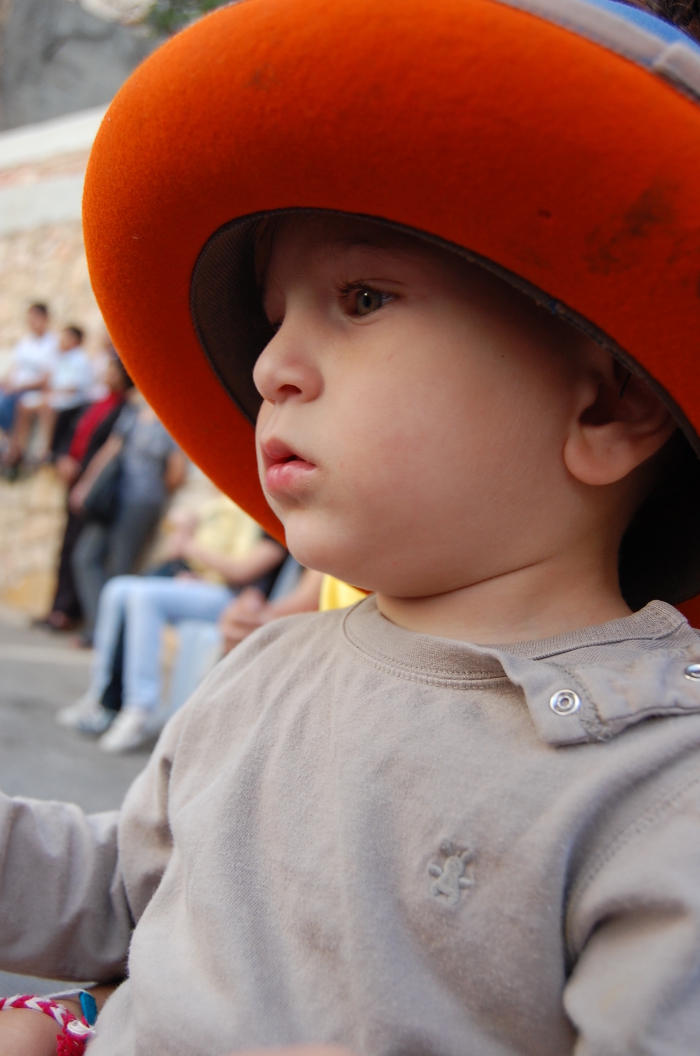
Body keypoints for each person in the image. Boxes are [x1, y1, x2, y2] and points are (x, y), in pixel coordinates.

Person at [3, 1, 700, 1055]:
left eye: (363, 297)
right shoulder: (265, 672)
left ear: (607, 406)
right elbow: (130, 891)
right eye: (275, 316)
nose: (269, 365)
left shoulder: (653, 785)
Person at [57, 506, 287, 753]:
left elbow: (241, 571)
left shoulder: (271, 520)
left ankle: (141, 707)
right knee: (117, 589)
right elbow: (178, 552)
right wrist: (186, 550)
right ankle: (100, 694)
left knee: (143, 596)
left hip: (230, 596)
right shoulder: (221, 504)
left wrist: (190, 545)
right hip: (203, 583)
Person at [70, 388, 187, 644]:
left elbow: (176, 474)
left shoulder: (172, 422)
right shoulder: (133, 413)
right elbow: (110, 450)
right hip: (112, 496)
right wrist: (86, 484)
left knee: (120, 567)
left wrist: (154, 494)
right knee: (85, 557)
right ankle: (101, 624)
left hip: (142, 503)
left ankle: (106, 634)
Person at [35, 352, 134, 632]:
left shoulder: (122, 410)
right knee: (67, 546)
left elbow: (107, 452)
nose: (108, 374)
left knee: (80, 551)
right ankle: (57, 607)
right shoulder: (97, 403)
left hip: (93, 489)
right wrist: (64, 458)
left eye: (114, 370)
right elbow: (75, 434)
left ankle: (68, 611)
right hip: (75, 479)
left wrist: (85, 479)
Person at [12, 326, 95, 464]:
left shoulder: (81, 359)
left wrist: (52, 393)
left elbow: (74, 387)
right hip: (53, 394)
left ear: (75, 340)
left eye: (66, 337)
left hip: (70, 398)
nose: (62, 340)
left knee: (46, 406)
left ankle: (44, 450)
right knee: (24, 404)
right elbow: (49, 378)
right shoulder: (59, 356)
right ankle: (18, 448)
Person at [0, 303, 58, 472]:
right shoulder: (26, 341)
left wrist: (19, 386)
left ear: (44, 318)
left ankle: (13, 451)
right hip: (16, 387)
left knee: (12, 404)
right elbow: (15, 367)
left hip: (31, 389)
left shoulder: (52, 343)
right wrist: (7, 382)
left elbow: (47, 377)